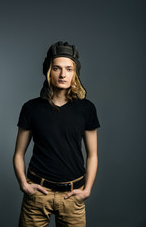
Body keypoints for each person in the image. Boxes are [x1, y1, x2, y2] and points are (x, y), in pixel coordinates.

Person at [13, 41, 101, 227]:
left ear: (75, 73)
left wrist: (87, 190)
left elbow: (92, 155)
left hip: (73, 195)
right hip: (37, 195)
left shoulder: (86, 108)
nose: (63, 74)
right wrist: (24, 184)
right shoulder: (31, 108)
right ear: (48, 71)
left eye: (69, 69)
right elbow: (19, 154)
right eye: (57, 68)